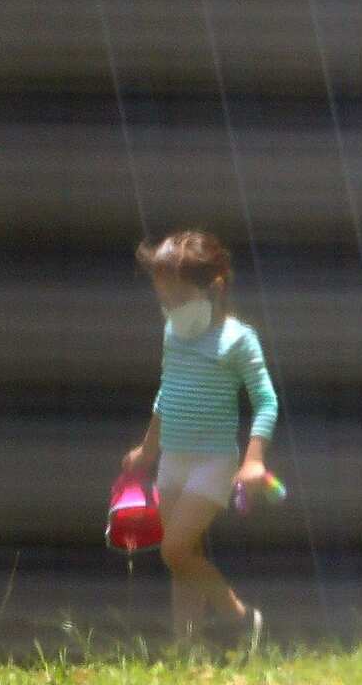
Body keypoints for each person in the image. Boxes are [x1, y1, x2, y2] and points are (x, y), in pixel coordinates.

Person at [122, 231, 274, 649]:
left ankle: (240, 617)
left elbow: (265, 400)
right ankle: (186, 647)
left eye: (178, 300)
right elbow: (168, 391)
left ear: (215, 288)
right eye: (164, 301)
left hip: (213, 463)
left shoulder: (237, 340)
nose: (170, 310)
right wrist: (148, 449)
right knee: (183, 557)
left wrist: (254, 459)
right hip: (173, 458)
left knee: (174, 550)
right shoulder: (174, 332)